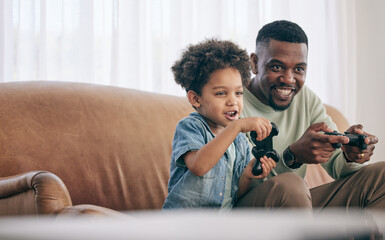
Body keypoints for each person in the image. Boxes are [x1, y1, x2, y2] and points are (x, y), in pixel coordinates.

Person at [237, 20, 385, 210]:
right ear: (255, 63)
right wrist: (292, 157)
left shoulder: (305, 98)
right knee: (292, 185)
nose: (289, 80)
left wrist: (349, 156)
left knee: (381, 176)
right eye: (277, 67)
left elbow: (338, 166)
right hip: (248, 209)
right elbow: (236, 181)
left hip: (296, 206)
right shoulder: (232, 101)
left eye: (298, 69)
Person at [162, 39, 277, 209]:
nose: (233, 101)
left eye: (238, 92)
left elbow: (234, 193)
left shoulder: (240, 142)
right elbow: (198, 166)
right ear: (196, 98)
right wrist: (236, 126)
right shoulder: (191, 127)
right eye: (221, 93)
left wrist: (247, 175)